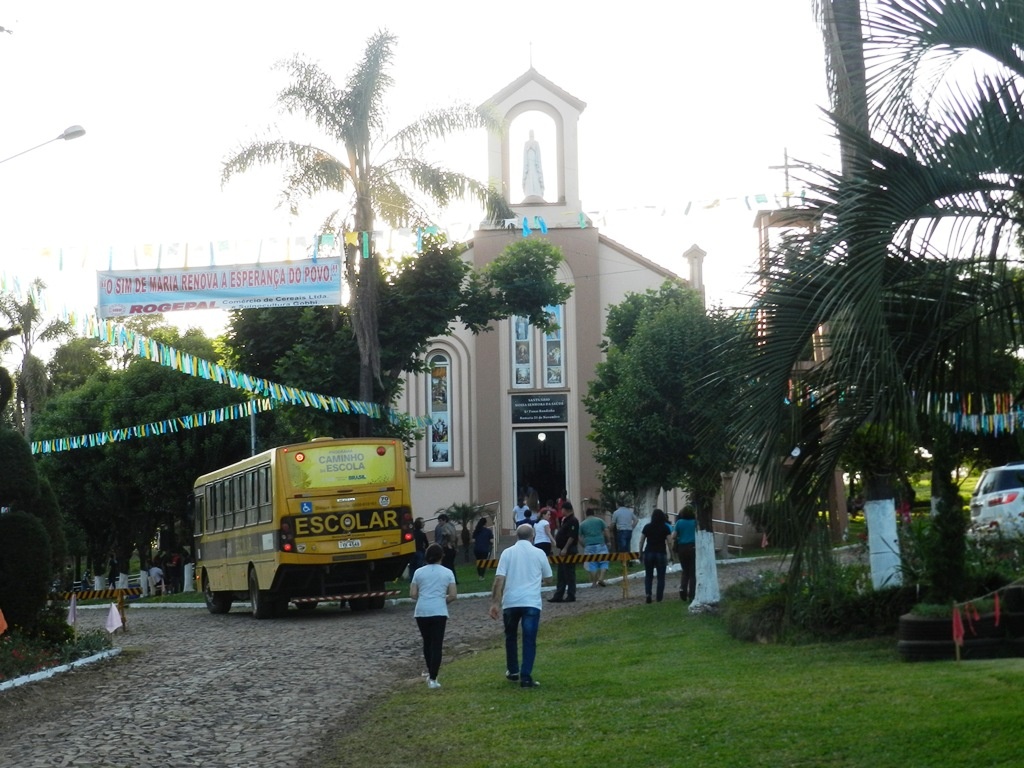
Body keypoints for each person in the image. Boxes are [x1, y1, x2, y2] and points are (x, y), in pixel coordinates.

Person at [488, 524, 552, 688]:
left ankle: (513, 669)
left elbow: (499, 580)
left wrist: (495, 603)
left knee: (510, 636)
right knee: (529, 639)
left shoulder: (507, 553)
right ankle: (526, 676)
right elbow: (549, 578)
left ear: (516, 536)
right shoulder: (539, 553)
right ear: (533, 537)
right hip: (531, 601)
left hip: (511, 602)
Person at [410, 543, 457, 689]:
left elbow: (412, 594)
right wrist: (443, 601)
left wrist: (425, 598)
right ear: (441, 556)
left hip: (422, 610)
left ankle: (429, 670)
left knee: (427, 642)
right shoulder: (448, 572)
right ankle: (433, 677)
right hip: (439, 610)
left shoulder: (418, 572)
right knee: (437, 644)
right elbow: (453, 595)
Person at [640, 508, 672, 603]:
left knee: (648, 575)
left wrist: (640, 552)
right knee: (661, 576)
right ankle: (659, 597)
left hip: (649, 552)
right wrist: (672, 554)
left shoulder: (647, 527)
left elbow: (641, 540)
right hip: (661, 553)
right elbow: (669, 542)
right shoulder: (665, 527)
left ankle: (648, 594)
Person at [548, 502, 579, 603]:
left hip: (569, 550)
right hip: (563, 550)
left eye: (562, 509)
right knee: (561, 573)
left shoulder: (573, 521)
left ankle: (571, 594)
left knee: (569, 573)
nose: (561, 511)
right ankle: (559, 594)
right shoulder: (565, 520)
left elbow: (572, 536)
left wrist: (565, 548)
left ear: (566, 509)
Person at [579, 508, 610, 588]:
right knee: (604, 561)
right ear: (594, 513)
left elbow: (578, 536)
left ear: (586, 514)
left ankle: (594, 583)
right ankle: (601, 578)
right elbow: (606, 530)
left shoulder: (582, 524)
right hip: (600, 543)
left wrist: (583, 544)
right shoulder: (599, 521)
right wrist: (608, 541)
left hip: (589, 545)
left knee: (592, 564)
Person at [672, 506, 697, 602]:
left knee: (685, 571)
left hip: (682, 548)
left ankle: (682, 589)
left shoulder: (679, 522)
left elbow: (673, 536)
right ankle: (692, 594)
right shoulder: (695, 522)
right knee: (692, 572)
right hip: (693, 547)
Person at [435, 514, 459, 582]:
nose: (439, 523)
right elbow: (456, 537)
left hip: (446, 547)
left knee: (446, 565)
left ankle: (449, 580)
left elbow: (447, 534)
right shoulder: (452, 526)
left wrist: (447, 542)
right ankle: (454, 579)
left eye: (440, 521)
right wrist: (456, 546)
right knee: (451, 565)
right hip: (453, 547)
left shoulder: (444, 527)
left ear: (444, 520)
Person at [522, 129, 545, 200]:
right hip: (529, 165)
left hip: (535, 165)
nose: (531, 134)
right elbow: (525, 157)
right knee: (530, 177)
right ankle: (530, 191)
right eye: (530, 133)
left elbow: (538, 156)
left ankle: (536, 191)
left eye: (532, 133)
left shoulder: (536, 143)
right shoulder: (526, 143)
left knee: (535, 176)